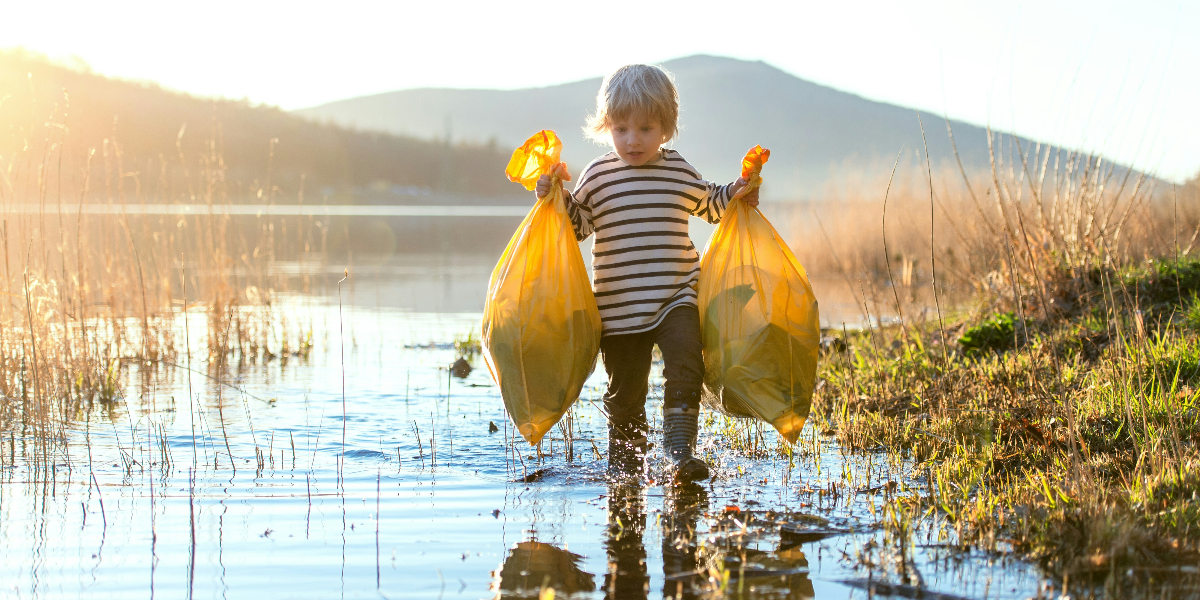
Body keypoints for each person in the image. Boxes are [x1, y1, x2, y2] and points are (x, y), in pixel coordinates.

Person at [534, 64, 759, 481]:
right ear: (606, 128)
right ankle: (626, 467)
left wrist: (740, 189)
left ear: (666, 129)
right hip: (618, 308)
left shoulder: (677, 170)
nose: (632, 140)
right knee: (625, 395)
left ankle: (678, 451)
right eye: (621, 129)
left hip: (677, 295)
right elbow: (578, 226)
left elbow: (711, 204)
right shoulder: (598, 176)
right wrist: (555, 197)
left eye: (645, 128)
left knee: (687, 361)